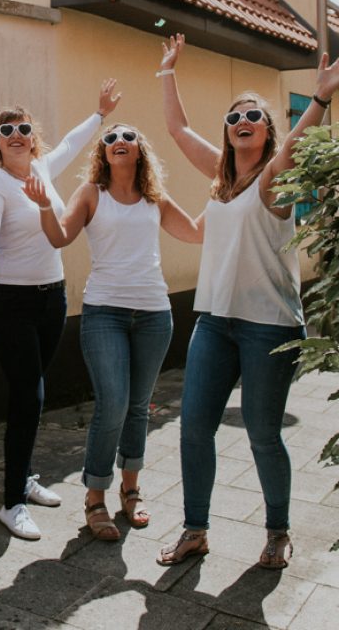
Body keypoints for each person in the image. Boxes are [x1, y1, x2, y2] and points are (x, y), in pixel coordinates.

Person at [155, 34, 339, 569]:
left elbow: (296, 147)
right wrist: (168, 72)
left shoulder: (273, 179)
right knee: (194, 428)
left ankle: (278, 530)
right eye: (235, 116)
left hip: (269, 326)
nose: (242, 121)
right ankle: (195, 529)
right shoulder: (220, 180)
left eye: (254, 115)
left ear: (266, 129)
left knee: (262, 435)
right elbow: (178, 130)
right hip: (214, 321)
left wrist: (321, 99)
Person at [0, 81, 120, 541]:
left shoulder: (43, 169)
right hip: (11, 300)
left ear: (32, 136)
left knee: (34, 390)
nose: (16, 134)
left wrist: (100, 115)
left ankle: (23, 476)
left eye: (23, 128)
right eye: (7, 130)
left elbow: (69, 144)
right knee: (28, 394)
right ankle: (12, 502)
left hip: (52, 298)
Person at [23, 123, 200, 541]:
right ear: (103, 152)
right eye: (110, 138)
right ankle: (95, 497)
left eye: (129, 136)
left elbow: (194, 231)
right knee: (113, 403)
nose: (119, 141)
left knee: (138, 406)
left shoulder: (155, 198)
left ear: (140, 151)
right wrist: (45, 205)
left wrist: (229, 194)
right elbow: (59, 238)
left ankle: (131, 488)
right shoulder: (90, 194)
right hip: (105, 313)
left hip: (155, 313)